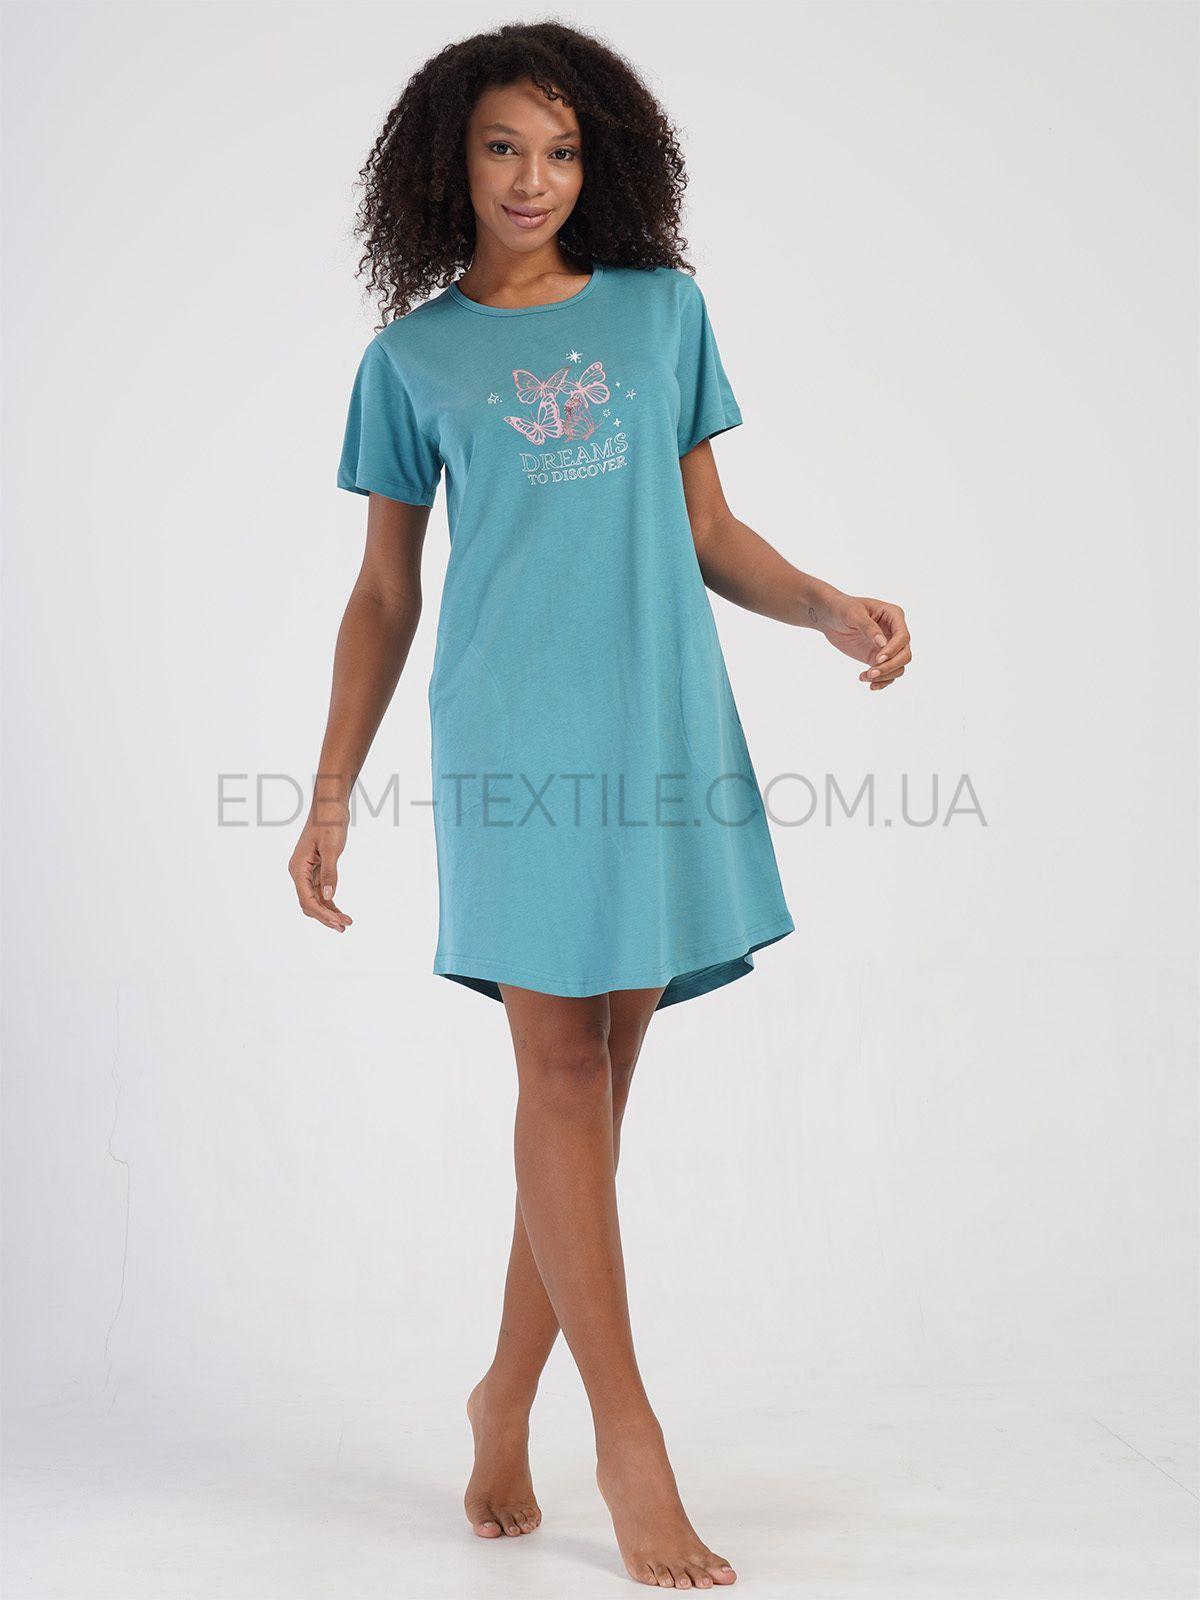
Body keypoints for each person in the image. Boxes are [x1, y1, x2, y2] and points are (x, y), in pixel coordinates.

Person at [289, 21, 911, 1591]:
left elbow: (706, 528)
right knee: (560, 1073)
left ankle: (503, 1394)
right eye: (504, 147)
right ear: (448, 162)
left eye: (562, 151)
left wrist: (828, 607)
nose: (533, 178)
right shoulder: (411, 361)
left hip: (659, 727)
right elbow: (384, 594)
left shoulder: (661, 311)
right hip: (512, 742)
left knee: (597, 1088)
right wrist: (331, 788)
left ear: (602, 162)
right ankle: (627, 1442)